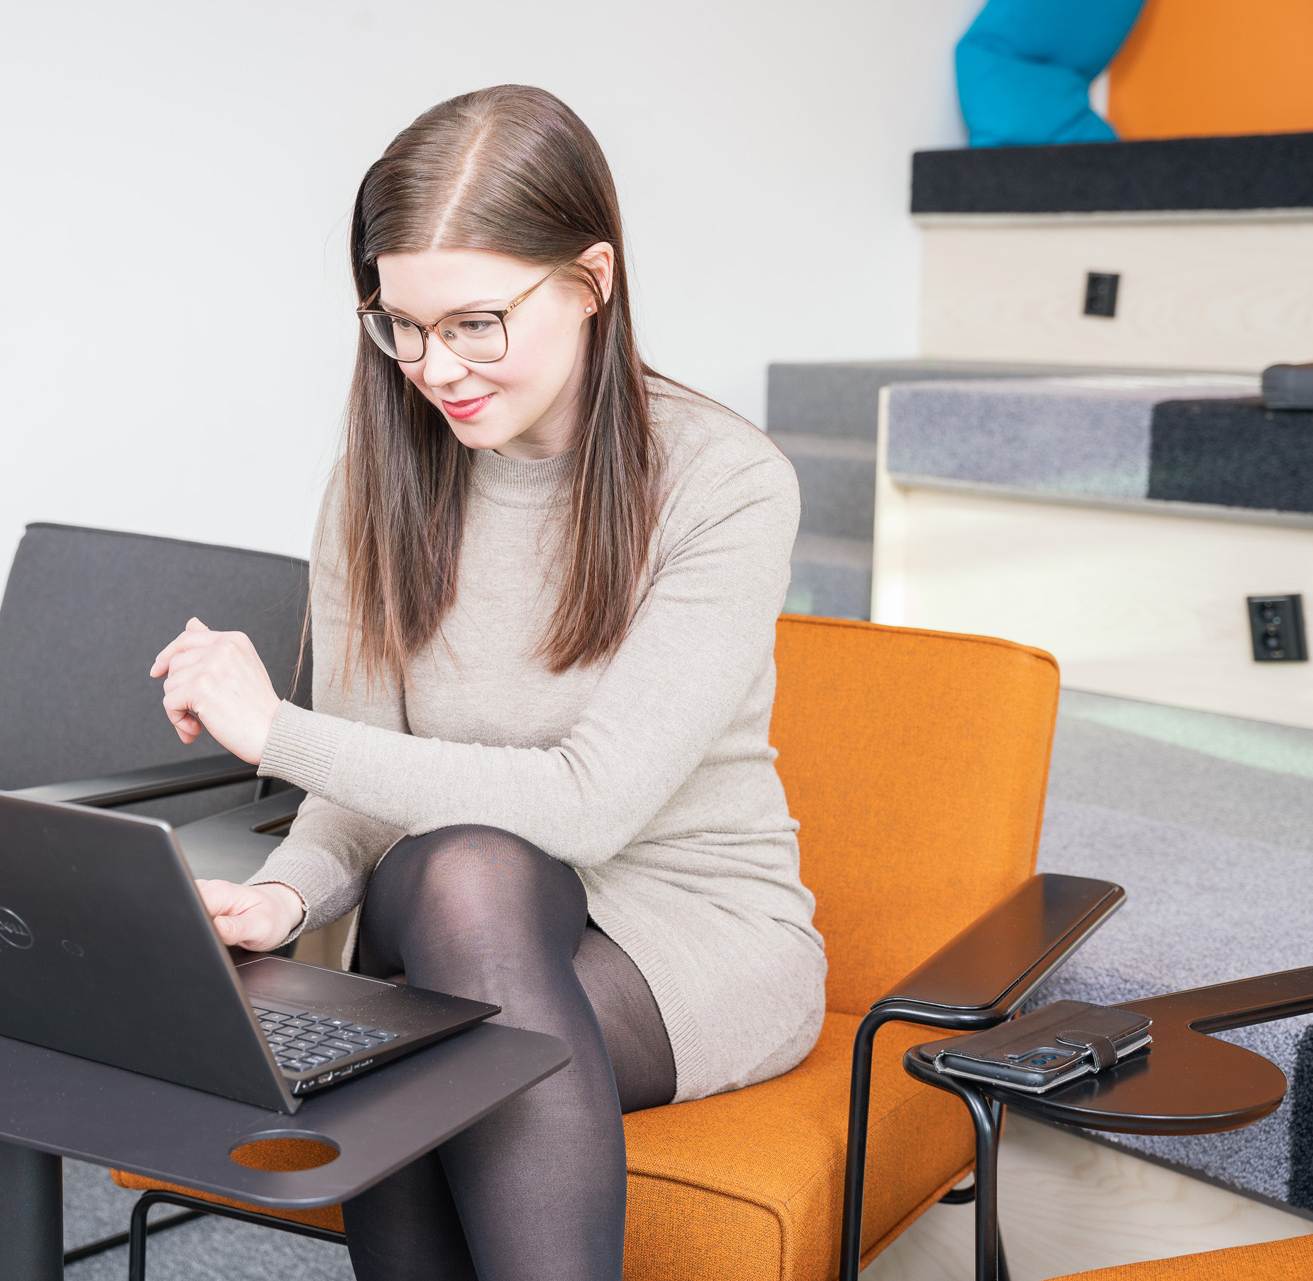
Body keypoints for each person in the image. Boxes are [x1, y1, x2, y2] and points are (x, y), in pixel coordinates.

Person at [147, 84, 825, 1281]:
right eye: (397, 325)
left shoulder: (726, 483)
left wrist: (274, 731)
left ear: (593, 279)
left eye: (474, 324)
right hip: (469, 920)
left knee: (422, 988)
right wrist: (285, 898)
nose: (431, 368)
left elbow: (589, 805)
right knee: (456, 881)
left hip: (690, 933)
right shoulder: (378, 483)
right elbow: (362, 794)